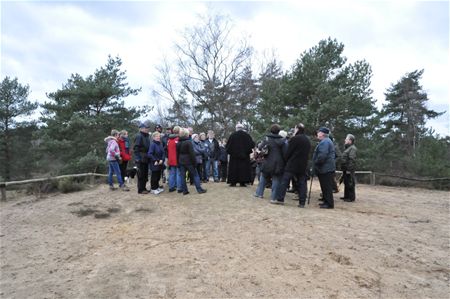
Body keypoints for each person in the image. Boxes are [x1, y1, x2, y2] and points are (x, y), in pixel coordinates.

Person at [278, 123, 311, 207]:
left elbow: (289, 152)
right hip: (303, 164)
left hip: (292, 163)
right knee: (302, 183)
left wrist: (285, 160)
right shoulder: (307, 140)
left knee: (285, 181)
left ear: (297, 129)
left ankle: (280, 199)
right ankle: (302, 202)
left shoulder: (295, 139)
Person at [254, 124, 286, 204]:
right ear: (278, 131)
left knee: (263, 177)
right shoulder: (282, 141)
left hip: (267, 161)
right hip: (278, 163)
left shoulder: (267, 139)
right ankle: (273, 197)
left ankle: (259, 193)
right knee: (276, 179)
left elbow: (260, 147)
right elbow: (285, 152)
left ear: (271, 130)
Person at [176, 128, 207, 195]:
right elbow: (192, 153)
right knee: (195, 175)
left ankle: (185, 191)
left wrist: (178, 162)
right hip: (189, 162)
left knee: (182, 176)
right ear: (186, 134)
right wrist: (194, 162)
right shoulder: (188, 142)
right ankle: (199, 189)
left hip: (181, 161)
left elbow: (177, 154)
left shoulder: (178, 143)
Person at [312, 127, 336, 209]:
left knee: (326, 187)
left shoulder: (325, 142)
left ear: (322, 134)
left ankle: (329, 203)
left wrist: (316, 163)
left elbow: (322, 155)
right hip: (326, 168)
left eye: (318, 132)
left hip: (325, 168)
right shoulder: (326, 141)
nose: (317, 134)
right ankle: (326, 201)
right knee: (325, 186)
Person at [133, 121, 151, 194]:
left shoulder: (146, 136)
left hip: (146, 157)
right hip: (141, 158)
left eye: (147, 128)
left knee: (145, 174)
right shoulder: (139, 136)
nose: (147, 129)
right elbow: (136, 148)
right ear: (141, 128)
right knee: (141, 174)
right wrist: (138, 158)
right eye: (145, 128)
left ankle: (144, 188)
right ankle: (140, 189)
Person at [340, 134, 357, 202]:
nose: (345, 140)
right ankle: (346, 196)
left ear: (350, 141)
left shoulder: (352, 148)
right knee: (346, 182)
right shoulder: (348, 148)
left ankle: (351, 197)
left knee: (350, 183)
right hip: (345, 168)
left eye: (346, 139)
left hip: (349, 169)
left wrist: (349, 169)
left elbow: (351, 159)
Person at [167, 126, 181, 192]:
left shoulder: (169, 140)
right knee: (178, 173)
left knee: (172, 173)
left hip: (171, 159)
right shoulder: (178, 139)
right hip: (177, 159)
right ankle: (179, 187)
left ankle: (171, 187)